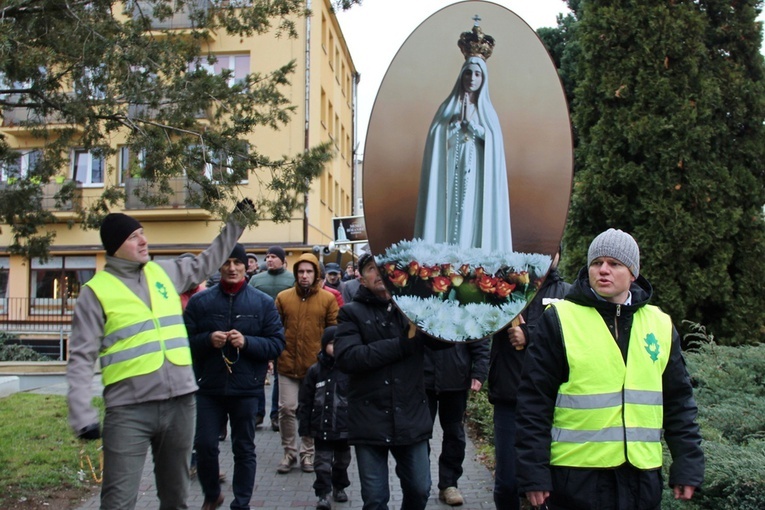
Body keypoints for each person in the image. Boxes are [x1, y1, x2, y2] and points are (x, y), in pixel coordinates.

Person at [66, 201, 251, 510]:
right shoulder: (95, 292)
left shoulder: (164, 272)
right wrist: (81, 413)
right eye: (133, 237)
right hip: (129, 411)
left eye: (143, 233)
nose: (143, 240)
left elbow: (209, 260)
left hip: (181, 403)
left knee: (176, 499)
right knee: (117, 502)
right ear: (115, 248)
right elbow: (81, 358)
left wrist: (237, 222)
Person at [516, 229, 705, 509]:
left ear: (633, 273)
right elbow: (534, 402)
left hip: (641, 477)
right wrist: (533, 473)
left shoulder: (660, 325)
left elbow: (679, 401)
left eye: (614, 264)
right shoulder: (560, 319)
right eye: (596, 262)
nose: (603, 270)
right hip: (577, 477)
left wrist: (687, 463)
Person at [334, 253, 450, 510]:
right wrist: (401, 345)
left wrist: (442, 307)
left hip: (411, 416)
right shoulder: (350, 313)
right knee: (375, 499)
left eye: (387, 267)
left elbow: (445, 342)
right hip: (369, 418)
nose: (381, 274)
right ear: (361, 278)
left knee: (420, 490)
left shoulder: (413, 309)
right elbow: (349, 357)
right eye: (373, 269)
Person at [185, 243, 285, 510]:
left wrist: (247, 342)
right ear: (219, 266)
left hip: (247, 388)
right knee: (205, 445)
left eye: (237, 263)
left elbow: (276, 344)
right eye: (226, 262)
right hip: (209, 387)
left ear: (245, 267)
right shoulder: (200, 301)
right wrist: (207, 340)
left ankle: (241, 503)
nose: (232, 268)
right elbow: (184, 343)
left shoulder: (262, 303)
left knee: (244, 449)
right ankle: (211, 493)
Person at [414, 20, 511, 252]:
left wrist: (475, 129)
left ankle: (472, 251)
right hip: (450, 169)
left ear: (483, 79)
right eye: (468, 73)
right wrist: (454, 127)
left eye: (478, 74)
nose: (472, 78)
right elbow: (436, 142)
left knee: (471, 212)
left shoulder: (488, 113)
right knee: (450, 210)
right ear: (462, 75)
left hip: (477, 172)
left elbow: (494, 146)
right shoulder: (447, 109)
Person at [489, 249, 570, 510]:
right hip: (509, 396)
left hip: (553, 402)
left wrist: (530, 334)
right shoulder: (505, 288)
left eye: (551, 251)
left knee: (550, 484)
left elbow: (572, 336)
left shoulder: (567, 294)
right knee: (507, 483)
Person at [274, 253, 339, 474]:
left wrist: (329, 357)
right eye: (301, 271)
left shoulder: (327, 299)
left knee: (312, 409)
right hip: (287, 363)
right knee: (287, 408)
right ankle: (289, 452)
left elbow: (333, 331)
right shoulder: (283, 297)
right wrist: (275, 353)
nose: (304, 276)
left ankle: (307, 453)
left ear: (316, 274)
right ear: (295, 274)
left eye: (309, 271)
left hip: (315, 366)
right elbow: (275, 329)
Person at [424, 337, 489, 506]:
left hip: (456, 378)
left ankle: (449, 484)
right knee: (419, 435)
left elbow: (479, 336)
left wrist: (479, 371)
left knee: (454, 435)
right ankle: (419, 483)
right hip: (421, 379)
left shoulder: (466, 308)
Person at [298, 326, 351, 510]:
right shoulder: (315, 371)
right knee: (322, 462)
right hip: (321, 427)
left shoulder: (349, 370)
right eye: (330, 343)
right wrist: (304, 426)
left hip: (344, 427)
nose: (335, 347)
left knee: (342, 461)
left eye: (338, 343)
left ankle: (339, 486)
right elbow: (305, 400)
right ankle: (323, 493)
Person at [249, 245, 295, 431]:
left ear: (283, 260)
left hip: (282, 334)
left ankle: (276, 414)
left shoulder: (292, 279)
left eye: (274, 256)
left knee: (279, 375)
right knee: (258, 375)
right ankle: (257, 414)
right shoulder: (255, 280)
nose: (269, 259)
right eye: (267, 256)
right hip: (259, 334)